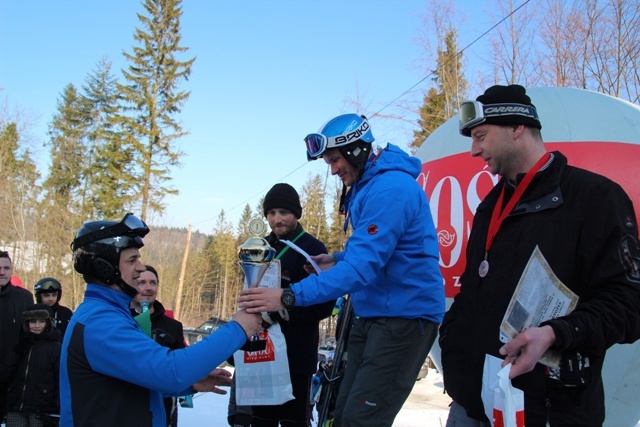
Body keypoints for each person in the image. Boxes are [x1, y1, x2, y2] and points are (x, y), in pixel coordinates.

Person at [438, 84, 640, 426]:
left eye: (481, 136)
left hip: (548, 410)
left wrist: (556, 334)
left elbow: (629, 305)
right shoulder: (490, 207)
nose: (474, 150)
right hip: (474, 403)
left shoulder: (596, 198)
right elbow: (475, 289)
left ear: (517, 127)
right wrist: (454, 345)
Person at [239, 114, 445, 427]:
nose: (333, 169)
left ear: (357, 150)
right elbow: (375, 249)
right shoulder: (369, 186)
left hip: (403, 317)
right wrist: (335, 258)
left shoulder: (390, 189)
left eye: (335, 160)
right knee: (341, 413)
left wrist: (287, 296)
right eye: (328, 162)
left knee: (361, 420)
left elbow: (363, 267)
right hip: (375, 313)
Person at [60, 212, 263, 427]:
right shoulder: (100, 323)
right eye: (132, 260)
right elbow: (170, 371)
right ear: (105, 267)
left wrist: (191, 383)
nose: (140, 267)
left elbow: (130, 383)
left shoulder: (110, 314)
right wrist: (238, 328)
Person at [247, 183, 335, 427]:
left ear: (296, 213)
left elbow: (324, 306)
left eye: (283, 212)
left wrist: (281, 311)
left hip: (295, 355)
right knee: (260, 422)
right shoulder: (260, 248)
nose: (277, 219)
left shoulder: (313, 249)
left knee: (293, 422)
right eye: (271, 213)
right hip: (262, 353)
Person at [130, 265, 186, 427]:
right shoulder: (120, 321)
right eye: (142, 283)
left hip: (163, 409)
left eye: (153, 283)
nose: (148, 288)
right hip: (126, 406)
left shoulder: (173, 326)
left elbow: (179, 368)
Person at [4, 303, 62, 427]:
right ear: (26, 323)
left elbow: (60, 378)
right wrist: (18, 350)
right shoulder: (21, 344)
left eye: (41, 321)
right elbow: (7, 372)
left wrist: (56, 405)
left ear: (48, 323)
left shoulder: (54, 347)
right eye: (33, 321)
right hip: (16, 405)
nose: (37, 326)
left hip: (41, 409)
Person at [0, 251, 34, 423]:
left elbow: (29, 335)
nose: (2, 272)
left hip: (15, 375)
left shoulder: (24, 298)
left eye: (6, 268)